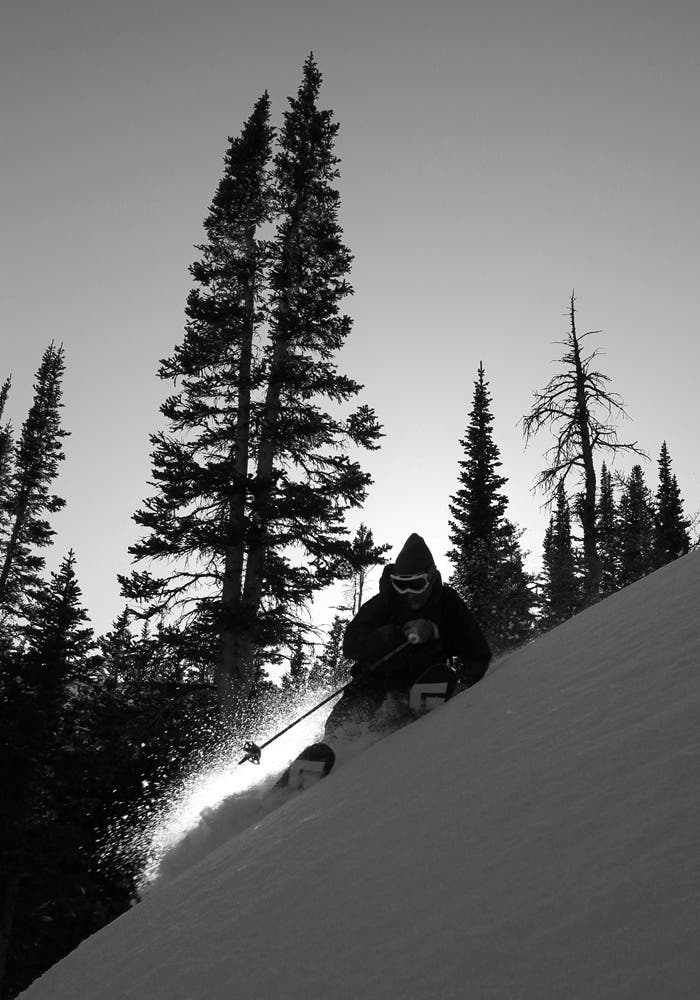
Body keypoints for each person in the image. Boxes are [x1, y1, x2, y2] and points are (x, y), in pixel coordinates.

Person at [323, 532, 492, 744]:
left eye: (416, 584)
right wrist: (391, 635)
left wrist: (460, 683)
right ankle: (329, 753)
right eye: (401, 585)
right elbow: (350, 645)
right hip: (371, 684)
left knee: (394, 710)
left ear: (431, 578)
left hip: (418, 682)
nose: (408, 593)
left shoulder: (447, 604)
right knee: (341, 726)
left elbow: (478, 654)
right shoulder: (384, 603)